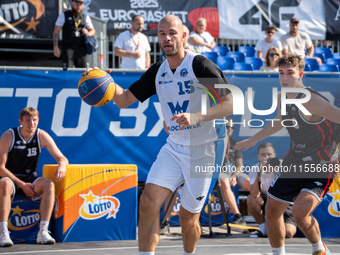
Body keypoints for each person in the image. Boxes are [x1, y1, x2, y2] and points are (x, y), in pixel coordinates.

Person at [91, 14, 232, 255]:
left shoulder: (199, 65)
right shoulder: (158, 71)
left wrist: (196, 117)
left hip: (204, 150)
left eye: (172, 33)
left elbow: (230, 104)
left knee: (188, 220)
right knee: (148, 202)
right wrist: (104, 82)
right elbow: (124, 100)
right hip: (175, 147)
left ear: (184, 36)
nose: (167, 38)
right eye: (162, 34)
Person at [235, 53, 340, 255]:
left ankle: (319, 249)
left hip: (321, 164)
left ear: (301, 74)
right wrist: (253, 139)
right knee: (272, 209)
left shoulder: (313, 101)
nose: (285, 78)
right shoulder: (282, 97)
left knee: (300, 213)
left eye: (290, 73)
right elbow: (280, 121)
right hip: (295, 161)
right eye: (281, 73)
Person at [0, 107, 69, 247]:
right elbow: (1, 168)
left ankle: (43, 231)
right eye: (28, 120)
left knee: (49, 184)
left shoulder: (41, 135)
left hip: (30, 177)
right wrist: (21, 184)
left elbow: (62, 157)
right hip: (11, 178)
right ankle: (3, 233)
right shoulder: (9, 135)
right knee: (5, 185)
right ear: (21, 121)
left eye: (34, 120)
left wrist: (62, 165)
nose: (32, 124)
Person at [247, 142, 297, 238]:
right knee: (250, 199)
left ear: (274, 155)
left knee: (288, 233)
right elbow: (254, 194)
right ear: (258, 157)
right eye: (263, 154)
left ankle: (275, 226)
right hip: (267, 200)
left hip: (285, 201)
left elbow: (285, 190)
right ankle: (263, 229)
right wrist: (259, 172)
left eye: (269, 154)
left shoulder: (283, 166)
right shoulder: (254, 168)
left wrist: (276, 171)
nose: (266, 157)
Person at [220, 117, 250, 225]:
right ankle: (238, 216)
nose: (229, 129)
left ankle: (265, 214)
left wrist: (234, 175)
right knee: (224, 182)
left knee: (251, 183)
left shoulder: (235, 143)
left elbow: (240, 166)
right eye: (227, 127)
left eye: (232, 127)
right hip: (221, 172)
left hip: (234, 172)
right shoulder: (214, 142)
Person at [53, 0, 96, 71]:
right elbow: (56, 31)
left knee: (84, 70)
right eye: (77, 4)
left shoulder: (85, 16)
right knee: (67, 70)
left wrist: (87, 33)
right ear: (72, 3)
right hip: (68, 47)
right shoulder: (64, 15)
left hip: (81, 48)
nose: (79, 7)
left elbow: (93, 30)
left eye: (80, 4)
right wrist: (55, 47)